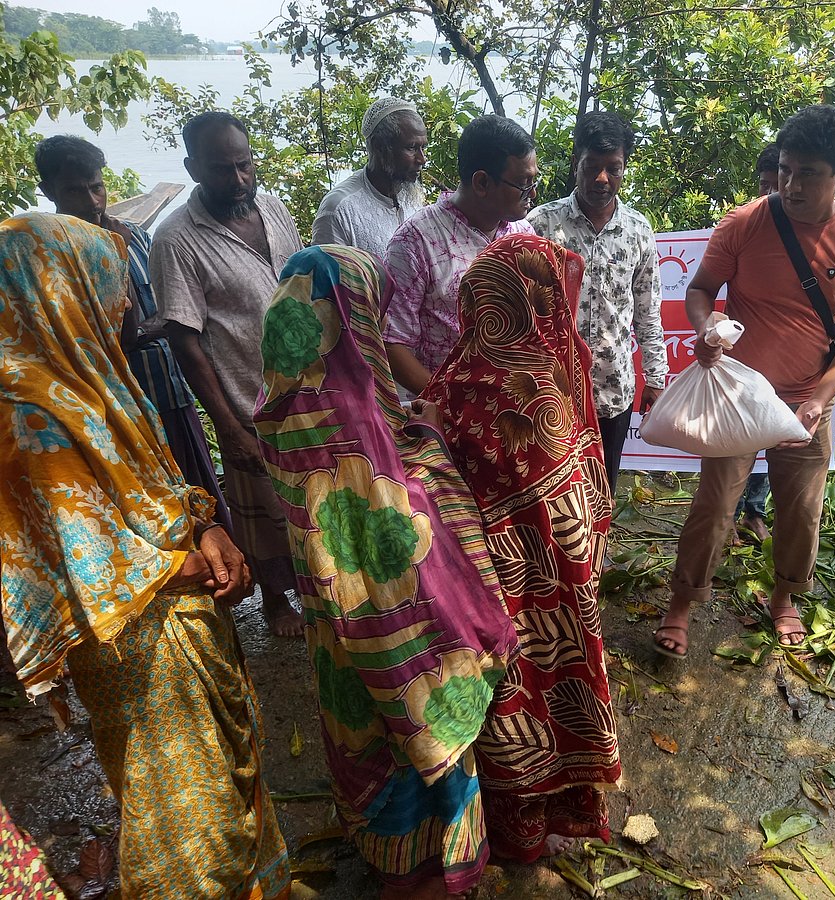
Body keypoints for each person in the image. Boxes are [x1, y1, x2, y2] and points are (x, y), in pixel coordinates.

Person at [0, 213, 289, 899]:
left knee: (223, 786)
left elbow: (160, 488)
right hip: (135, 649)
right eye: (108, 282)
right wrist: (194, 565)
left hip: (177, 613)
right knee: (182, 813)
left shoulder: (97, 381)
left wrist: (207, 531)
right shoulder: (26, 409)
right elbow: (81, 558)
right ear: (60, 290)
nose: (127, 301)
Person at [253, 245, 520, 900]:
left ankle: (381, 854)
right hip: (398, 628)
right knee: (411, 743)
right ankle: (429, 878)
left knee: (359, 730)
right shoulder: (354, 412)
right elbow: (398, 524)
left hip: (335, 621)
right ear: (350, 316)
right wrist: (429, 443)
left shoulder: (287, 404)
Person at [653, 106, 835, 658]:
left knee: (801, 509)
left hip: (809, 395)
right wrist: (706, 324)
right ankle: (681, 605)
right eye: (785, 169)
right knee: (715, 505)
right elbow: (701, 289)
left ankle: (786, 599)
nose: (791, 184)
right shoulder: (745, 223)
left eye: (808, 173)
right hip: (737, 395)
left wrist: (820, 399)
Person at [422, 234, 621, 862]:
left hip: (479, 588)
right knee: (553, 689)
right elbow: (577, 503)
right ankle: (541, 824)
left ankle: (504, 828)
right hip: (552, 586)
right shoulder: (543, 383)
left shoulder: (453, 379)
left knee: (503, 701)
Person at [151, 110, 306, 637]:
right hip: (247, 399)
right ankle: (275, 601)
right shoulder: (176, 239)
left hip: (306, 387)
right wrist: (227, 425)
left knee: (313, 502)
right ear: (194, 169)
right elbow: (185, 340)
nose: (238, 180)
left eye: (245, 165)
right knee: (261, 512)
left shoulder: (272, 206)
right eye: (223, 170)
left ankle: (321, 591)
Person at [34, 134, 231, 533]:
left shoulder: (134, 234)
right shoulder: (53, 255)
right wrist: (156, 318)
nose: (92, 202)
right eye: (75, 191)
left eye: (97, 187)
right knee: (160, 518)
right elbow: (103, 340)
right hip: (121, 411)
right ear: (48, 191)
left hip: (171, 391)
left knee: (205, 504)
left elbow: (172, 307)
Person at [528, 111, 667, 491]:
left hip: (613, 388)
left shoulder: (638, 231)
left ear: (624, 169)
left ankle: (597, 550)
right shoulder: (541, 226)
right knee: (552, 490)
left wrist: (655, 377)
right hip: (551, 389)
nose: (602, 179)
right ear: (576, 163)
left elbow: (647, 312)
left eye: (613, 169)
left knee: (602, 486)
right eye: (592, 167)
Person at [383, 114, 537, 396]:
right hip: (446, 417)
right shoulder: (416, 241)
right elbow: (393, 344)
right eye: (523, 183)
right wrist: (450, 404)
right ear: (481, 183)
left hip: (513, 411)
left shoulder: (524, 234)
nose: (533, 193)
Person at [732, 144, 783, 544]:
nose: (768, 194)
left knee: (769, 437)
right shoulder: (744, 225)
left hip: (784, 361)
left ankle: (754, 511)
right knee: (734, 439)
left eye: (775, 185)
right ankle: (727, 514)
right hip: (744, 356)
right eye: (763, 185)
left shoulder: (812, 231)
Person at [311, 97, 428, 258]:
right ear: (379, 146)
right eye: (411, 148)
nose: (422, 159)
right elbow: (328, 280)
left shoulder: (412, 199)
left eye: (423, 147)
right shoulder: (339, 209)